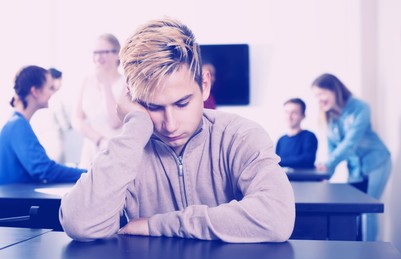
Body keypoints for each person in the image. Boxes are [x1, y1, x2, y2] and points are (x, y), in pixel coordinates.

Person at [60, 17, 295, 243]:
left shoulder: (240, 136)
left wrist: (158, 225)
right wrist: (137, 125)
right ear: (131, 99)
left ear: (204, 85)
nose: (170, 125)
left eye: (182, 104)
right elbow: (79, 222)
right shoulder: (130, 147)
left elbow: (276, 218)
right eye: (153, 107)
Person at [311, 73, 391, 241]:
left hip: (376, 162)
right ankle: (357, 247)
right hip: (355, 168)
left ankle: (369, 251)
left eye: (321, 94)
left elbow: (350, 143)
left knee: (369, 208)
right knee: (354, 210)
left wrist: (329, 163)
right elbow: (333, 149)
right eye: (316, 96)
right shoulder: (330, 117)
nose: (318, 100)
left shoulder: (360, 108)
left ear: (334, 90)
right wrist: (326, 173)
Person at [0, 65, 86, 184]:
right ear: (35, 91)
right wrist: (87, 174)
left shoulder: (16, 123)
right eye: (50, 88)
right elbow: (45, 170)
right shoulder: (18, 125)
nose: (52, 93)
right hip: (16, 201)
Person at [72, 33, 125, 169]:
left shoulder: (126, 83)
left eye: (104, 52)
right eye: (95, 52)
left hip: (115, 151)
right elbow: (77, 119)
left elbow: (115, 121)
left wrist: (105, 84)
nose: (98, 57)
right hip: (91, 150)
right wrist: (99, 139)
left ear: (117, 54)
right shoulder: (86, 81)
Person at [31, 68, 71, 163]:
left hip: (42, 142)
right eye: (60, 80)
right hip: (55, 142)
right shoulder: (54, 98)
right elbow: (65, 125)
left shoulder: (37, 100)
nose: (61, 83)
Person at [276, 98, 318, 168]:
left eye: (294, 113)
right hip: (284, 178)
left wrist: (280, 161)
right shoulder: (281, 140)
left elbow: (307, 160)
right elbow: (275, 164)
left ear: (303, 115)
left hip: (304, 178)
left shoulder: (309, 137)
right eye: (287, 112)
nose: (289, 116)